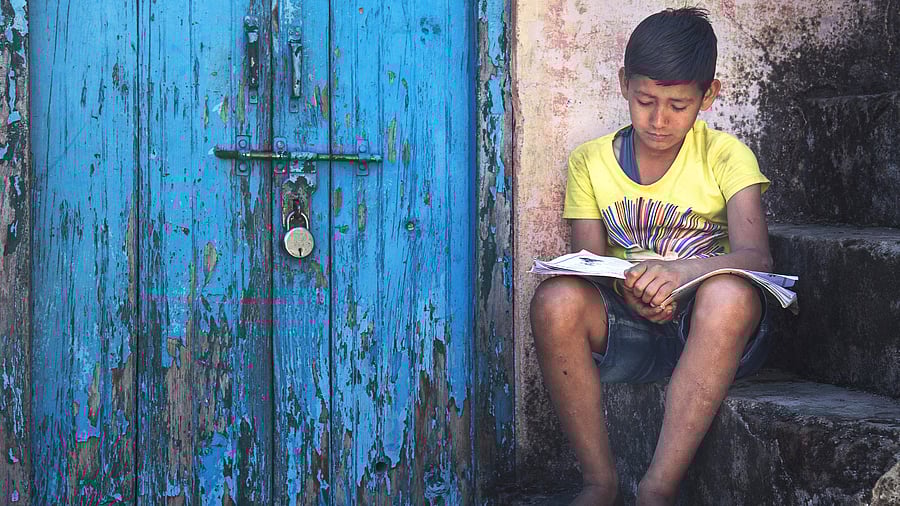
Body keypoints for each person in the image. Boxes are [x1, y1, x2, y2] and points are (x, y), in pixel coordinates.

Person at [529, 7, 775, 506]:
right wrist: (631, 290)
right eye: (645, 101)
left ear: (709, 95)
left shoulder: (726, 156)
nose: (659, 120)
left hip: (709, 329)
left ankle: (658, 489)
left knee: (731, 294)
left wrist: (681, 274)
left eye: (678, 105)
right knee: (555, 300)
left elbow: (757, 257)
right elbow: (590, 266)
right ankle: (599, 482)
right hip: (633, 328)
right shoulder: (590, 161)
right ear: (623, 84)